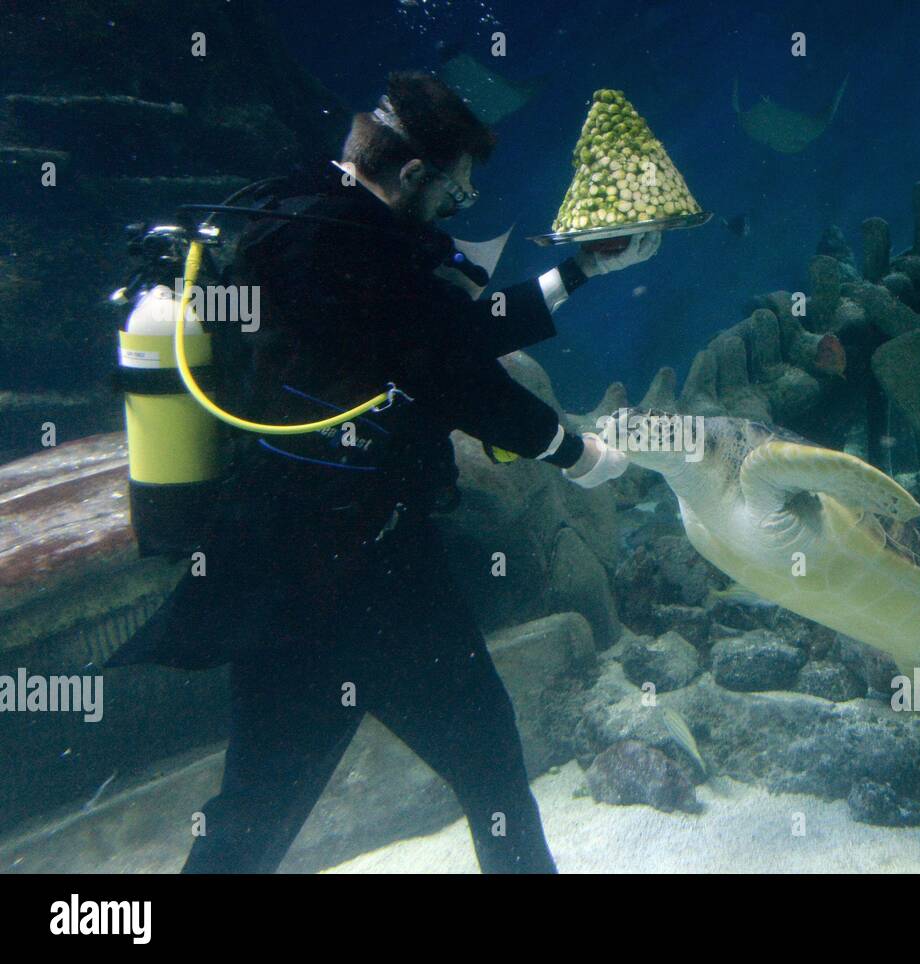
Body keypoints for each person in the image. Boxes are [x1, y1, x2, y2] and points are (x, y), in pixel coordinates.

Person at [112, 71, 659, 873]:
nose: (455, 210)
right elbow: (459, 374)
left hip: (271, 573)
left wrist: (580, 270)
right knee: (490, 769)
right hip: (374, 573)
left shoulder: (291, 218)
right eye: (455, 191)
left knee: (252, 816)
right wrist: (579, 455)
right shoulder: (358, 255)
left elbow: (449, 332)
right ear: (412, 173)